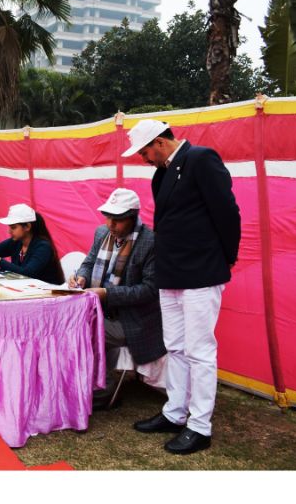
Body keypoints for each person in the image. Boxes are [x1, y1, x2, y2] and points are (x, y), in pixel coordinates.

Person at [122, 119, 241, 454]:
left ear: (160, 142)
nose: (144, 159)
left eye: (145, 152)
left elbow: (227, 213)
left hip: (202, 273)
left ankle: (199, 426)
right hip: (170, 274)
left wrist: (225, 258)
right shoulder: (161, 174)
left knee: (199, 351)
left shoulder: (201, 159)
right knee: (174, 346)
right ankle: (174, 412)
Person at [69, 187, 165, 410]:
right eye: (108, 217)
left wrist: (108, 294)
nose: (111, 224)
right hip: (100, 308)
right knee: (67, 322)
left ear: (132, 217)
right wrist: (81, 278)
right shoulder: (102, 232)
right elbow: (88, 263)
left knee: (85, 330)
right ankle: (78, 383)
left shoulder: (150, 242)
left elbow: (150, 290)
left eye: (117, 220)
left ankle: (102, 392)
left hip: (133, 320)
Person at [0, 203, 65, 285]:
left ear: (27, 227)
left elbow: (27, 274)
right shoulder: (15, 242)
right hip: (25, 289)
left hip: (49, 293)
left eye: (13, 227)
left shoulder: (43, 247)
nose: (9, 231)